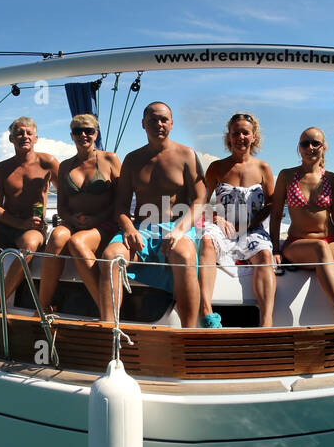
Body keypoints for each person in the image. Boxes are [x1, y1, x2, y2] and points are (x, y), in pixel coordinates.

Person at [115, 101, 211, 328]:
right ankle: (113, 331)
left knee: (185, 256)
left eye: (163, 119)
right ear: (143, 124)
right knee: (111, 257)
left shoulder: (187, 155)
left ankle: (189, 333)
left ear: (171, 123)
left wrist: (179, 230)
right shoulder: (132, 159)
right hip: (142, 228)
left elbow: (200, 199)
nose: (158, 124)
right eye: (152, 119)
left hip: (178, 225)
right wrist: (128, 229)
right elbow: (120, 206)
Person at [38, 112, 132, 322]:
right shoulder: (65, 166)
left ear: (96, 133)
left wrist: (96, 219)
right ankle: (42, 306)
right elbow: (61, 206)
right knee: (56, 237)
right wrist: (71, 219)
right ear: (71, 135)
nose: (83, 135)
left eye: (88, 131)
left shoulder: (110, 159)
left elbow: (121, 200)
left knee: (77, 242)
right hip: (74, 222)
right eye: (78, 131)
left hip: (105, 222)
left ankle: (106, 311)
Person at [276, 126, 334, 326]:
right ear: (298, 148)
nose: (310, 147)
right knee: (320, 248)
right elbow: (275, 216)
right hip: (298, 243)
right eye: (305, 143)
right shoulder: (286, 176)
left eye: (315, 143)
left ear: (324, 147)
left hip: (330, 238)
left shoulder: (330, 178)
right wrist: (275, 249)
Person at [200, 113, 281, 321]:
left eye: (245, 133)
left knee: (264, 256)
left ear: (254, 137)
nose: (241, 137)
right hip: (222, 226)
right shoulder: (216, 168)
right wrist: (216, 218)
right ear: (229, 137)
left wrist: (251, 224)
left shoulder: (263, 168)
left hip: (252, 228)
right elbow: (200, 202)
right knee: (207, 242)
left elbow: (272, 204)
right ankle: (207, 311)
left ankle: (267, 321)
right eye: (236, 133)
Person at [0, 115, 58, 307]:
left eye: (29, 133)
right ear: (11, 139)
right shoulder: (2, 168)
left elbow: (66, 193)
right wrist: (19, 223)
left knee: (29, 244)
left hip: (33, 227)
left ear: (36, 138)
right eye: (19, 133)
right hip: (5, 224)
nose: (24, 136)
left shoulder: (48, 162)